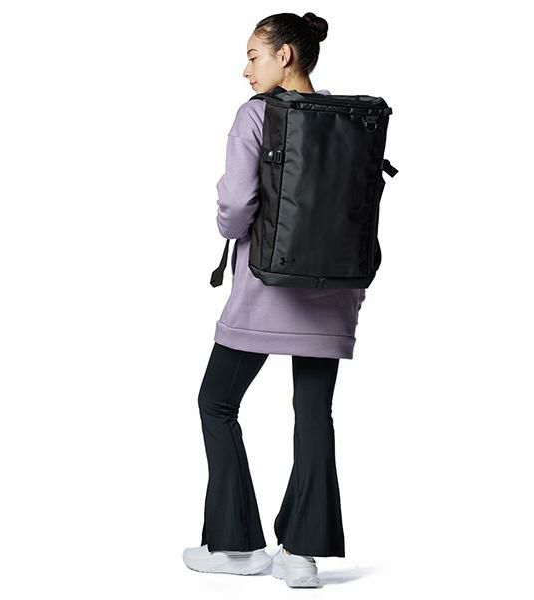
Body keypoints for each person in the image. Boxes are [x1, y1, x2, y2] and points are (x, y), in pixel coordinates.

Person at [183, 12, 366, 589]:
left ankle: (236, 545)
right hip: (334, 294)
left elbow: (237, 206)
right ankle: (301, 557)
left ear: (284, 55)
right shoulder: (349, 119)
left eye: (253, 56)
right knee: (313, 413)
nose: (246, 70)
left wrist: (226, 224)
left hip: (267, 289)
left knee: (216, 402)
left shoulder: (257, 115)